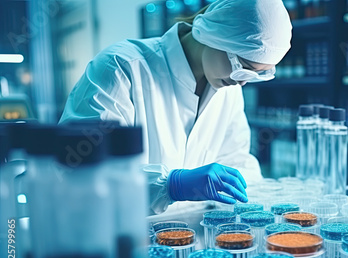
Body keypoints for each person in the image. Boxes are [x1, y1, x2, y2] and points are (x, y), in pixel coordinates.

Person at [59, 0, 292, 214]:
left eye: (254, 74)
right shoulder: (121, 68)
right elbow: (81, 169)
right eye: (242, 66)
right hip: (120, 234)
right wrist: (170, 185)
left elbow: (236, 160)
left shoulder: (229, 89)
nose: (242, 81)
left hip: (193, 239)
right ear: (215, 35)